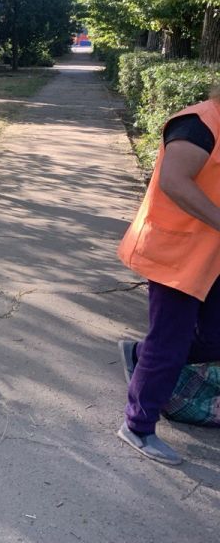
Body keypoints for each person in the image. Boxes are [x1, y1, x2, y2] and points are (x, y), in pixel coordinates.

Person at [116, 94, 220, 465]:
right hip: (175, 255)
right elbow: (174, 181)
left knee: (213, 339)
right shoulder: (199, 124)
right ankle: (137, 425)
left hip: (212, 257)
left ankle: (141, 356)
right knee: (170, 342)